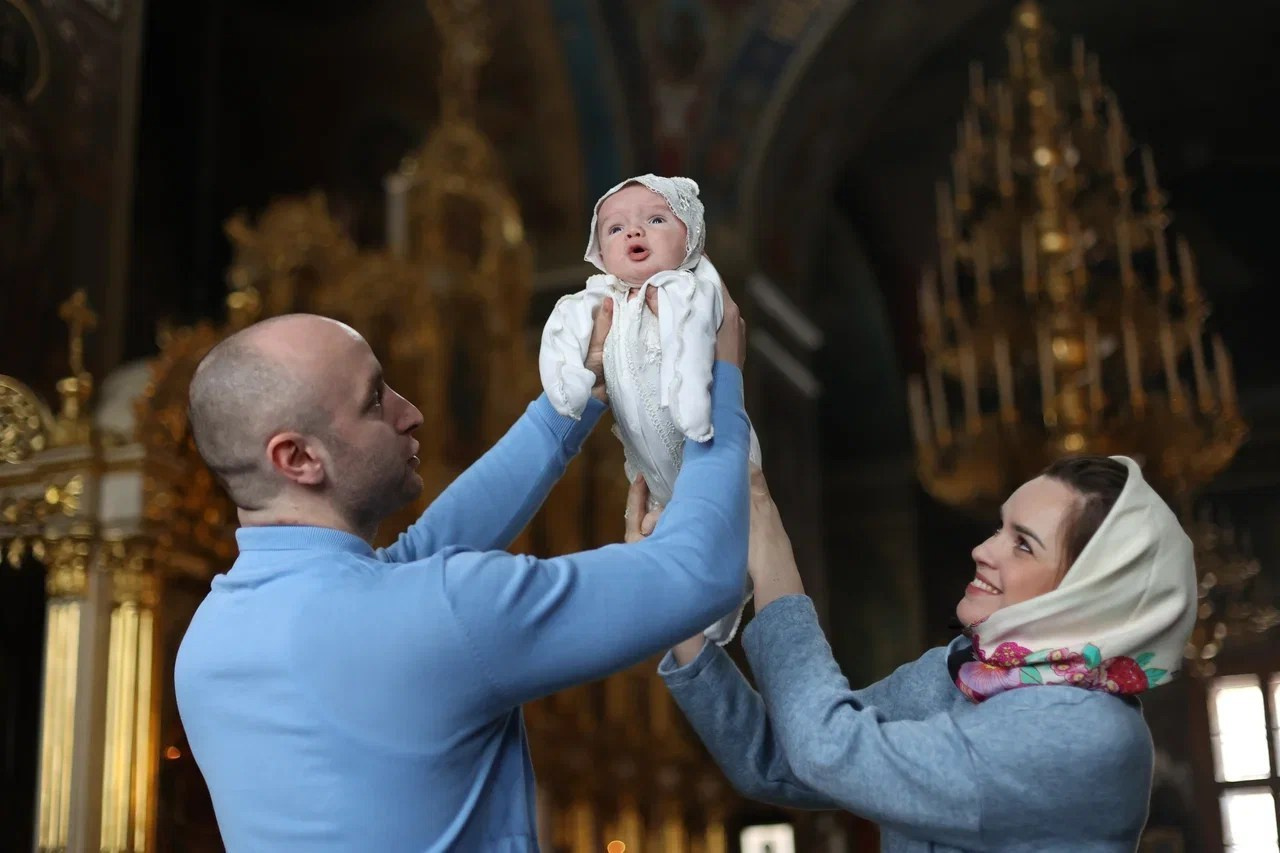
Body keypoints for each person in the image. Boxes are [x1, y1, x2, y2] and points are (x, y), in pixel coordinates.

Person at [173, 301, 751, 852]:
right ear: (297, 458)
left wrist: (575, 399)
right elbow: (703, 571)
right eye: (374, 401)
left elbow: (418, 558)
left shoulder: (210, 639)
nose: (410, 411)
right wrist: (712, 379)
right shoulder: (439, 611)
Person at [633, 455, 1198, 852]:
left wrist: (772, 550)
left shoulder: (1085, 734)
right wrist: (673, 601)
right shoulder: (963, 671)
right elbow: (777, 762)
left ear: (1088, 594)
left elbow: (824, 748)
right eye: (1000, 529)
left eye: (1023, 544)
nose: (983, 550)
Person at [538, 174, 761, 644]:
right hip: (652, 474)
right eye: (615, 228)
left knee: (731, 524)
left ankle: (727, 591)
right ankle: (700, 622)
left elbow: (693, 341)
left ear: (691, 238)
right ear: (599, 252)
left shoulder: (686, 290)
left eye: (656, 220)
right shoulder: (598, 300)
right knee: (671, 539)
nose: (634, 232)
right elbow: (561, 335)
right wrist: (569, 386)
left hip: (712, 440)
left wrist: (692, 403)